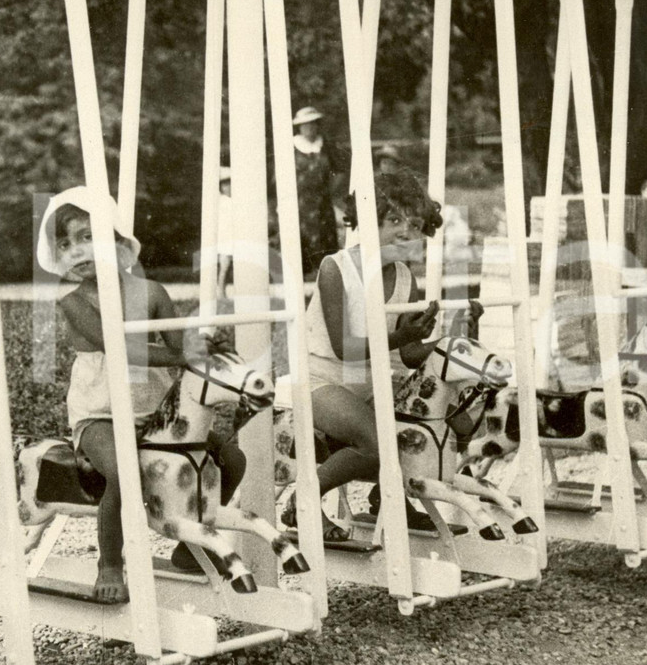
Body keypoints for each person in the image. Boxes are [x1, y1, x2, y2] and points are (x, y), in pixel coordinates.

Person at [38, 187, 246, 603]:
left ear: (117, 243)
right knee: (125, 473)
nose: (76, 251)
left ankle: (190, 546)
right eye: (65, 244)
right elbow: (113, 344)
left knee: (231, 459)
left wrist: (205, 344)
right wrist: (179, 352)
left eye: (86, 238)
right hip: (100, 412)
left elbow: (180, 345)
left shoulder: (151, 292)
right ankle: (110, 563)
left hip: (155, 411)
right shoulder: (71, 298)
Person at [297, 168, 445, 540]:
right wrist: (403, 336)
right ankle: (301, 503)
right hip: (322, 378)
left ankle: (389, 498)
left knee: (422, 425)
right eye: (393, 219)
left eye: (413, 224)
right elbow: (344, 348)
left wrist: (442, 338)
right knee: (378, 443)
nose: (405, 232)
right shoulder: (337, 268)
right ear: (367, 218)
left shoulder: (406, 277)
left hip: (371, 382)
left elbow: (410, 354)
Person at [291, 106, 342, 276]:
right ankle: (306, 276)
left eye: (313, 124)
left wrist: (330, 190)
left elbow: (339, 170)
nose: (310, 128)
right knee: (304, 235)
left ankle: (326, 276)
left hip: (323, 201)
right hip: (301, 202)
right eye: (306, 125)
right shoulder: (292, 146)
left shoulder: (325, 145)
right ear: (300, 127)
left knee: (326, 235)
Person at [216, 165, 234, 298]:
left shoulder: (234, 200)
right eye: (224, 184)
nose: (227, 187)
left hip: (233, 236)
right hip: (225, 237)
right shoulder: (221, 201)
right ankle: (220, 292)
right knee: (225, 266)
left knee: (231, 266)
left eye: (229, 184)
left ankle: (225, 291)